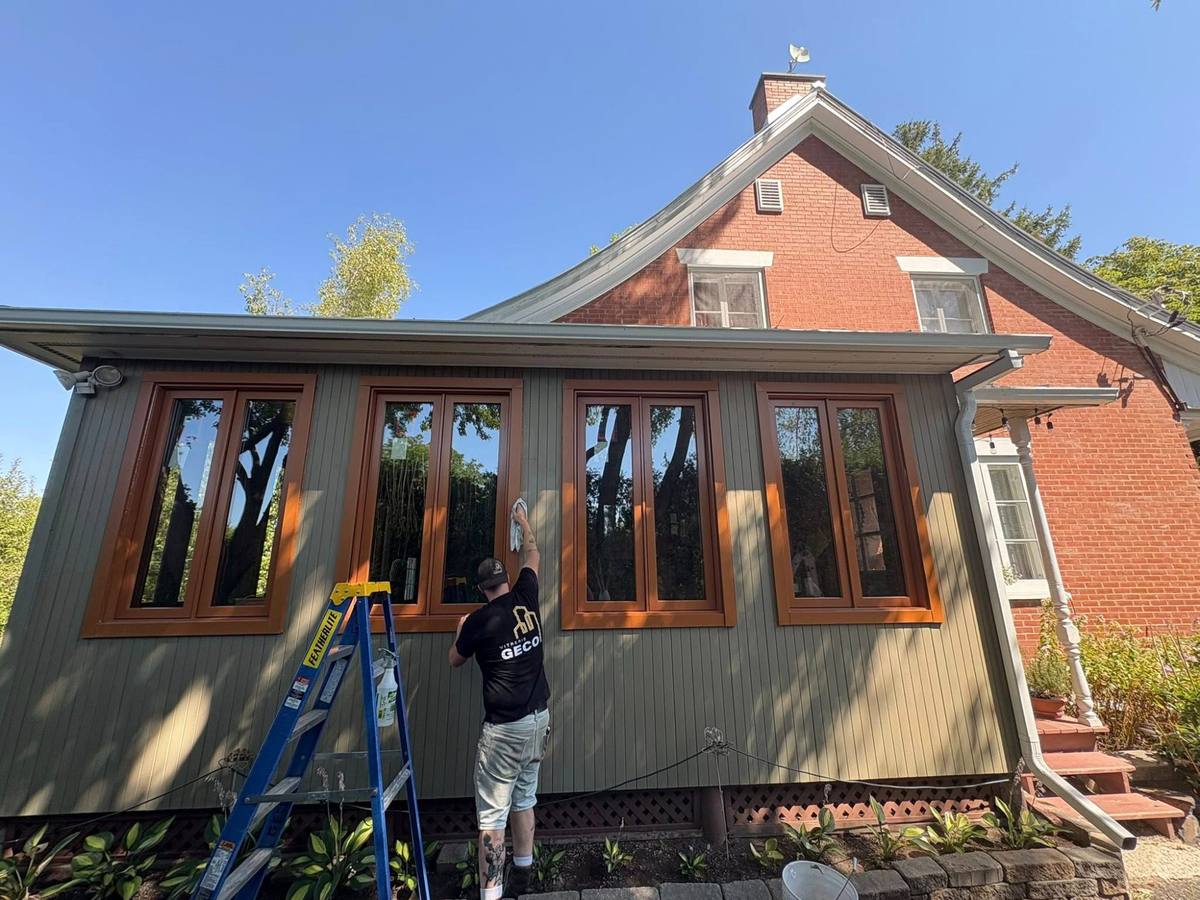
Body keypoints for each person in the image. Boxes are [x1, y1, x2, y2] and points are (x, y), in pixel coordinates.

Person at [449, 502, 549, 900]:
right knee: (525, 798)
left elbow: (456, 659)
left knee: (492, 817)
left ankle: (492, 893)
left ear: (481, 589)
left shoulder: (478, 621)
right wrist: (522, 519)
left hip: (504, 732)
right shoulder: (528, 593)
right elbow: (534, 552)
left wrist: (459, 630)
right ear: (508, 579)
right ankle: (523, 873)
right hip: (539, 721)